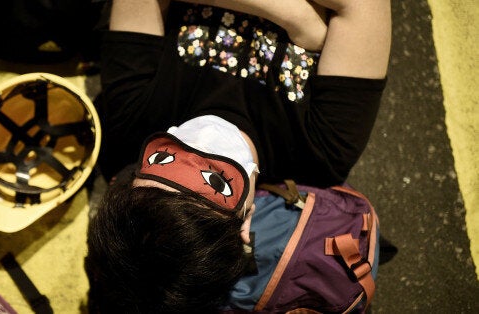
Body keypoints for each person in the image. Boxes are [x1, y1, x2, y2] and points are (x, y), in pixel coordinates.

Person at [85, 0, 391, 312]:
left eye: (164, 160)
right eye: (216, 181)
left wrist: (297, 18)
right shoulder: (321, 151)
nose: (201, 143)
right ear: (245, 224)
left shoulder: (131, 114)